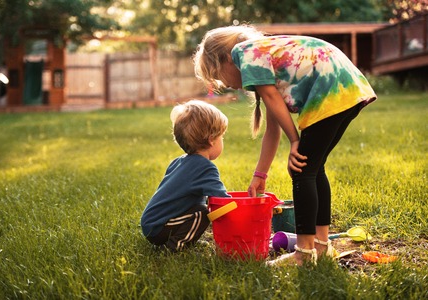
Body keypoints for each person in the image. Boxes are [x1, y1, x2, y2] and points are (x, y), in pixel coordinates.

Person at [193, 25, 377, 265]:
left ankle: (304, 253)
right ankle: (321, 246)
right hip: (347, 87)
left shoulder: (243, 52)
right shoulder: (263, 57)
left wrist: (295, 141)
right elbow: (272, 128)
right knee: (312, 167)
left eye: (220, 76)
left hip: (329, 88)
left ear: (225, 59)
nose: (227, 84)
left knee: (301, 170)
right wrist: (260, 174)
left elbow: (271, 98)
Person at [141, 99, 230, 252]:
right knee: (202, 214)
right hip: (161, 227)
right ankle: (175, 246)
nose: (222, 141)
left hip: (151, 223)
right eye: (221, 137)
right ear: (211, 141)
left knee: (199, 209)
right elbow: (224, 201)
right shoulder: (205, 168)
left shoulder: (178, 162)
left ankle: (187, 237)